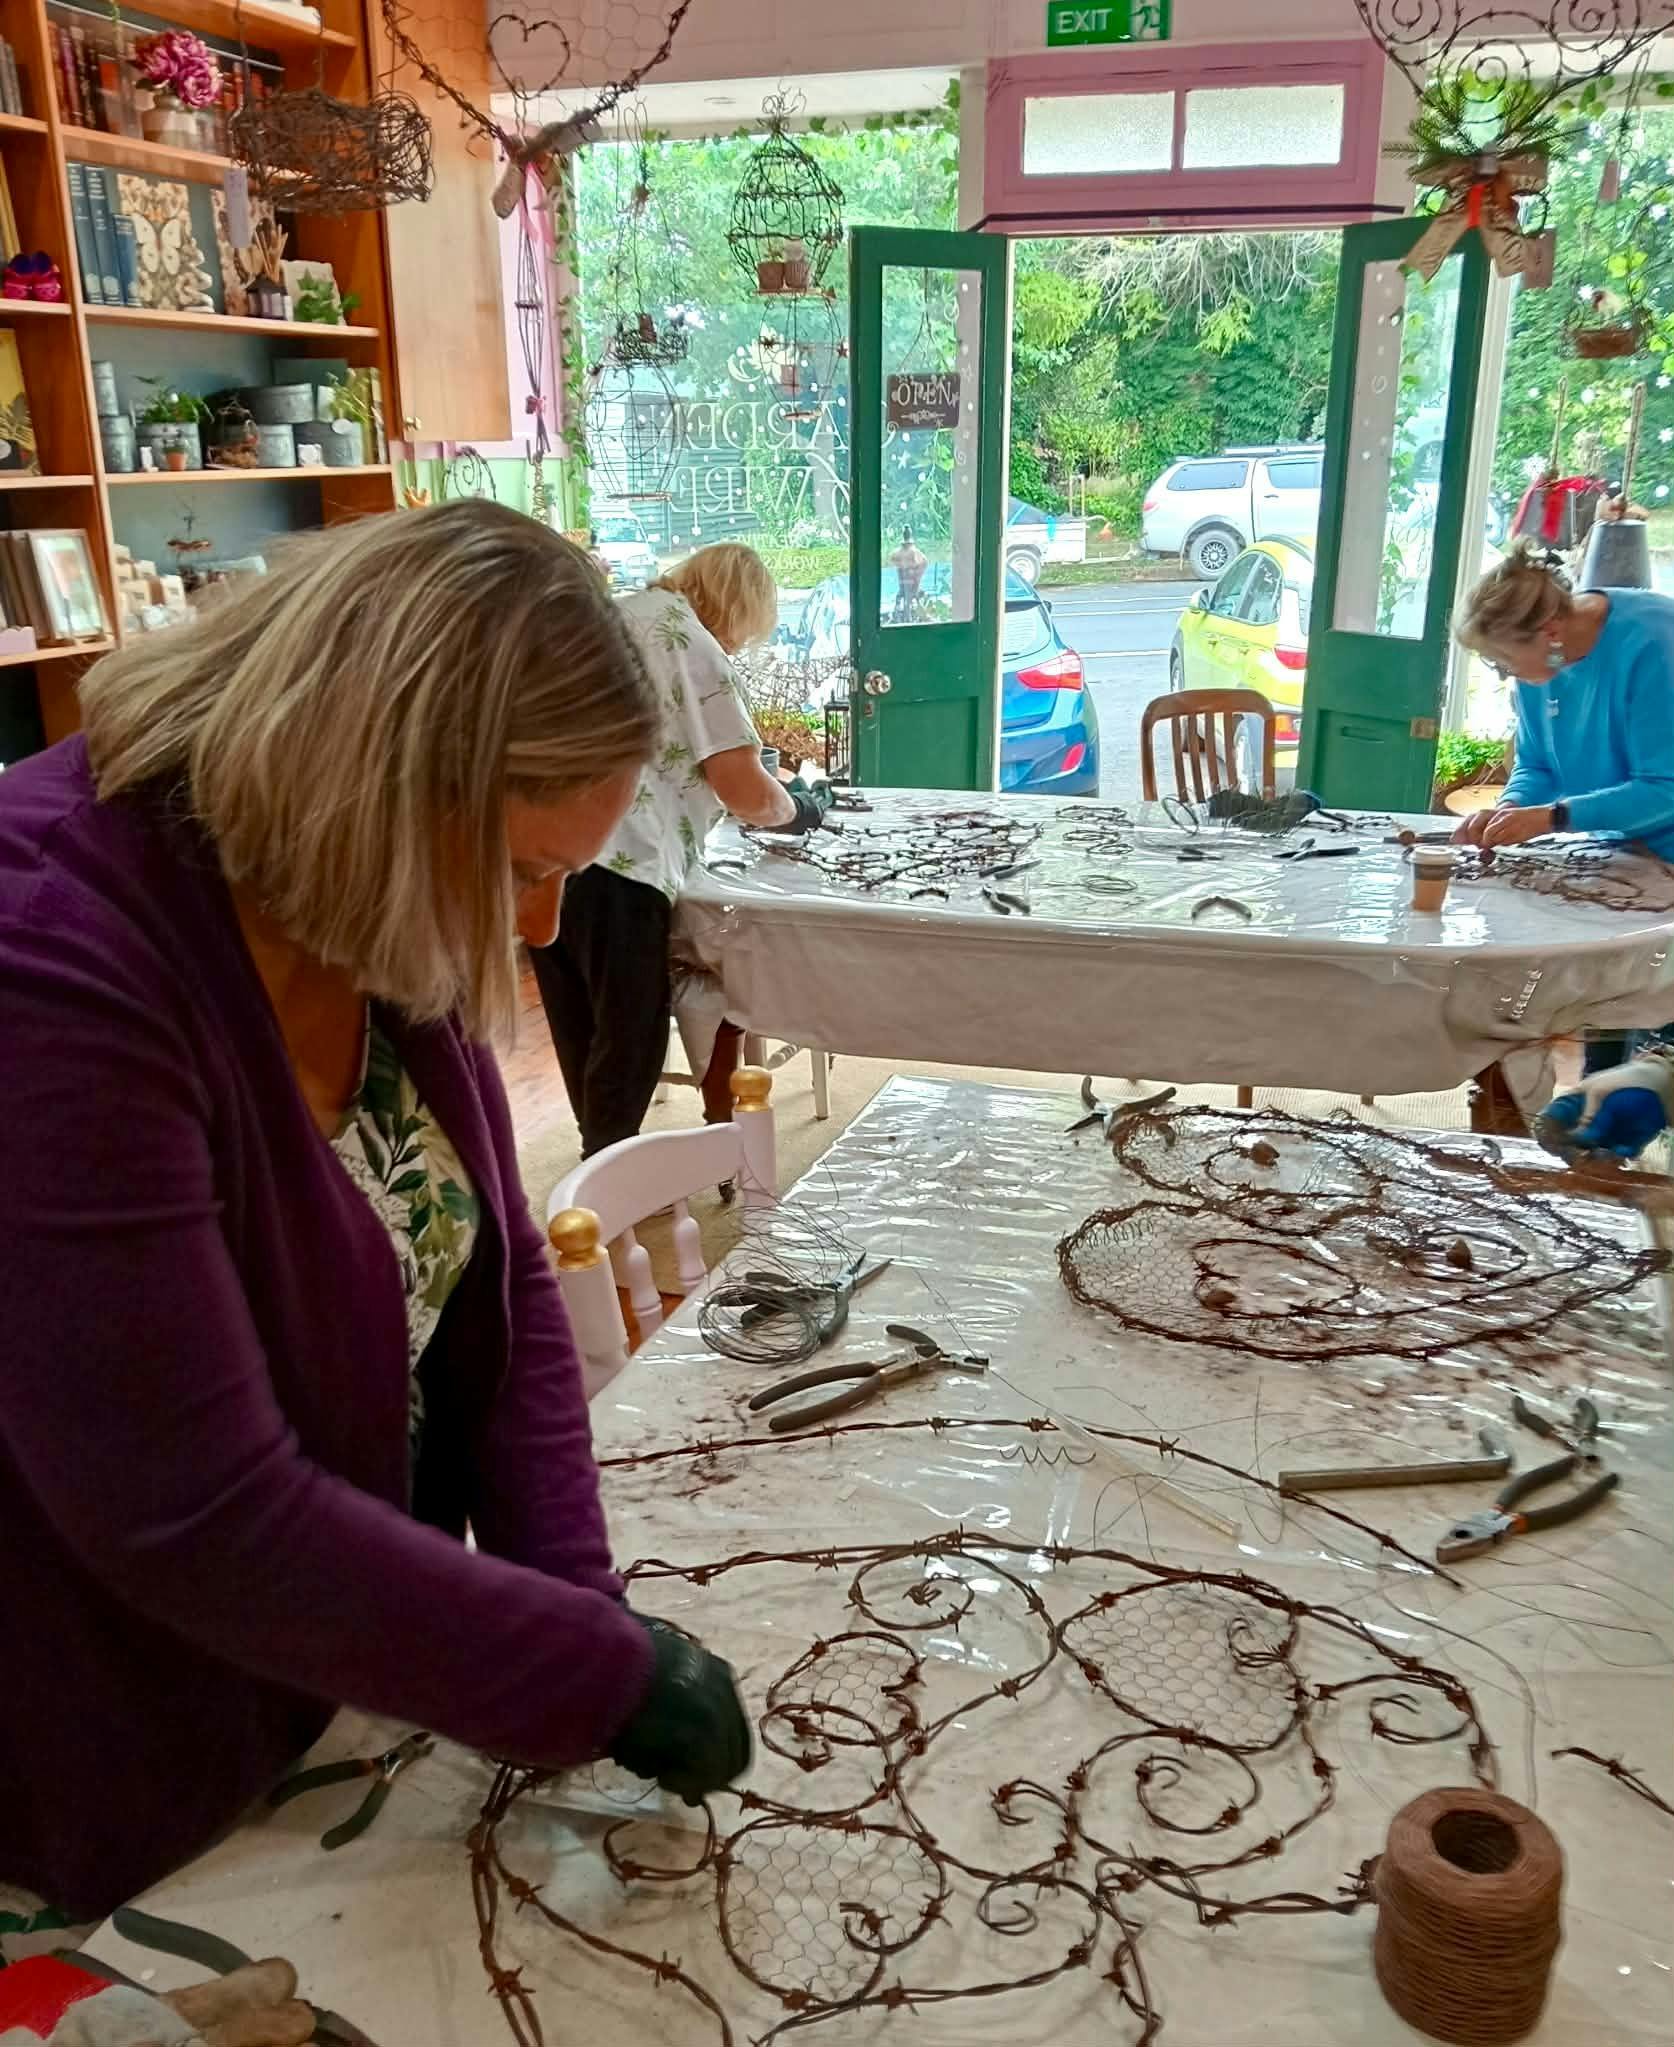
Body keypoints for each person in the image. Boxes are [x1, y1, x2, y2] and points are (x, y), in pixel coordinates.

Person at [0, 501, 750, 1940]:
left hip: (316, 1668)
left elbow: (504, 1291)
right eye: (530, 870)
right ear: (379, 785)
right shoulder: (49, 961)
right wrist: (601, 1679)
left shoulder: (348, 879)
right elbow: (195, 1511)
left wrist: (581, 1614)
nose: (539, 934)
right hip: (97, 1727)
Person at [531, 542, 828, 1157]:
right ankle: (612, 1177)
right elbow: (743, 787)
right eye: (748, 630)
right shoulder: (691, 643)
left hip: (544, 848)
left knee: (576, 1020)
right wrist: (798, 808)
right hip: (627, 856)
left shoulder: (615, 613)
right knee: (631, 1029)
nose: (742, 643)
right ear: (737, 607)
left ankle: (599, 1157)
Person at [1454, 541, 1674, 1155]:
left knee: (1661, 1017)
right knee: (1612, 998)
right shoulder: (1542, 667)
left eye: (1504, 660)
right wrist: (1508, 812)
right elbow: (1538, 767)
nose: (1505, 673)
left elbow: (1666, 786)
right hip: (1622, 853)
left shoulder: (1654, 641)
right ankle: (1602, 1134)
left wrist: (1553, 817)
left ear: (1548, 631)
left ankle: (1629, 1134)